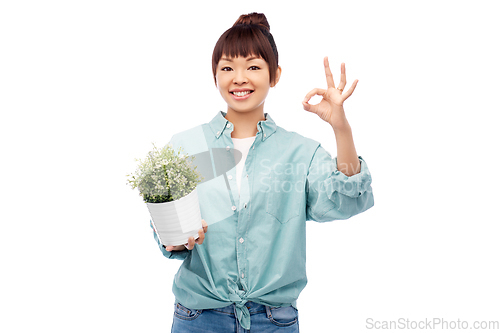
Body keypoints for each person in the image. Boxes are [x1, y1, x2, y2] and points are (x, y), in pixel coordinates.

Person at [150, 12, 374, 332]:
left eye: (253, 67)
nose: (239, 78)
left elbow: (348, 200)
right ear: (215, 74)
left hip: (273, 321)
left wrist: (341, 128)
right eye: (227, 67)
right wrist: (176, 238)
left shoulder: (300, 152)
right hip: (199, 317)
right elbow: (163, 227)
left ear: (275, 74)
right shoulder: (185, 145)